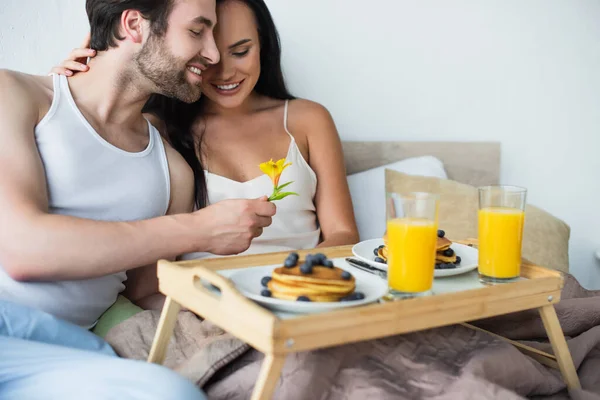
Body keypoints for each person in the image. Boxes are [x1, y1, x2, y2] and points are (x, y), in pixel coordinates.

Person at [0, 0, 276, 398]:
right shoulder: (18, 95)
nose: (213, 54)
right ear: (134, 24)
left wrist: (247, 319)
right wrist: (197, 230)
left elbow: (143, 292)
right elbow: (25, 251)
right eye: (197, 32)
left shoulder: (172, 171)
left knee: (170, 393)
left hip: (67, 355)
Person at [54, 0, 359, 263]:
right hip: (203, 306)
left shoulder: (307, 120)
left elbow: (343, 233)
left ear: (263, 45)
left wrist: (289, 280)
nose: (224, 71)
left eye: (241, 51)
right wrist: (70, 84)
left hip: (300, 292)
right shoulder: (155, 132)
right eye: (205, 53)